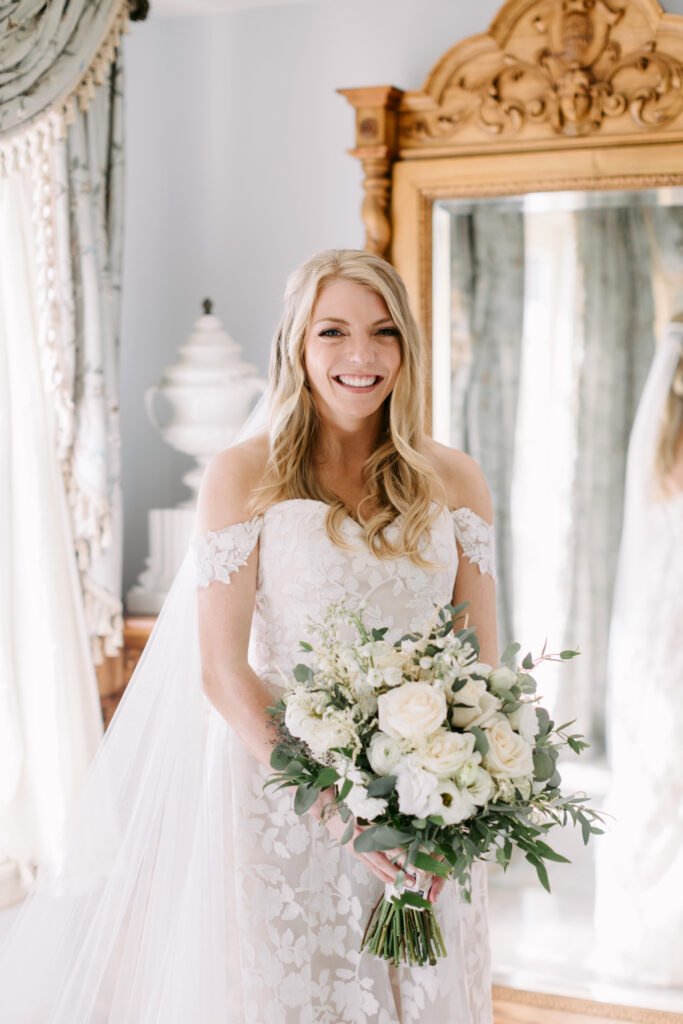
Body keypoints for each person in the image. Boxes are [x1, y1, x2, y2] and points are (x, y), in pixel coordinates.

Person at [0, 249, 498, 1023]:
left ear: (407, 348)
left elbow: (480, 668)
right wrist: (345, 815)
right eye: (332, 331)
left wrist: (445, 804)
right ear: (296, 346)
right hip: (284, 800)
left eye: (383, 332)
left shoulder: (455, 480)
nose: (360, 355)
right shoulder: (245, 474)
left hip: (426, 801)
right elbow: (223, 671)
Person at [594, 320, 683, 986]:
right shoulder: (659, 461)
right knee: (656, 785)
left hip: (656, 638)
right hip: (660, 641)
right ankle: (648, 940)